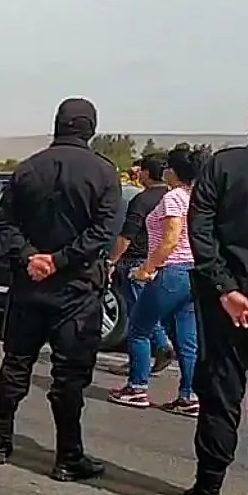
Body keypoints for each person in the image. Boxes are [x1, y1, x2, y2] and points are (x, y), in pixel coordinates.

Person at [0, 98, 121, 481]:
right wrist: (59, 260)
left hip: (30, 284)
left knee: (15, 364)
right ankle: (67, 456)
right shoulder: (103, 173)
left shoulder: (27, 168)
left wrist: (33, 257)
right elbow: (103, 234)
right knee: (69, 376)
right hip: (76, 289)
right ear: (90, 129)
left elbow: (5, 224)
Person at [166, 104, 248, 495]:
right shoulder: (223, 165)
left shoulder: (223, 166)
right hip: (231, 295)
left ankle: (207, 493)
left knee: (221, 397)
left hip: (227, 301)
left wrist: (226, 289)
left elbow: (200, 230)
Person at [109, 146, 206, 415]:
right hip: (192, 271)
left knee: (139, 328)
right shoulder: (196, 197)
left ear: (172, 171)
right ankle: (189, 395)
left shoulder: (173, 197)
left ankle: (137, 388)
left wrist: (148, 267)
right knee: (186, 337)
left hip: (170, 269)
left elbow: (171, 237)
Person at [106, 155, 174, 377]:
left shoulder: (142, 200)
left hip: (137, 262)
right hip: (163, 261)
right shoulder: (172, 196)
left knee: (138, 317)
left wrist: (112, 260)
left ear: (146, 172)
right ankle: (157, 350)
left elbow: (127, 234)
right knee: (151, 311)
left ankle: (154, 352)